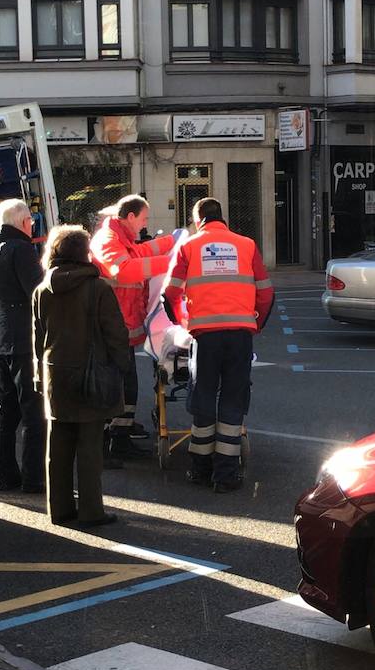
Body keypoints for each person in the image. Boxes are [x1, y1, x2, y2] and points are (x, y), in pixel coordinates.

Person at [162, 197, 274, 493]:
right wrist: (256, 324)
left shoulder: (189, 247)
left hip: (205, 336)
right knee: (233, 400)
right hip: (239, 334)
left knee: (204, 398)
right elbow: (265, 292)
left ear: (198, 220)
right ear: (222, 218)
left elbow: (169, 292)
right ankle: (225, 476)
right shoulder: (247, 245)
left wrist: (184, 322)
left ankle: (200, 469)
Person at [33, 225, 130, 527]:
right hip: (90, 373)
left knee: (57, 445)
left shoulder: (42, 289)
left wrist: (39, 374)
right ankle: (91, 511)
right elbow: (115, 334)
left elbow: (37, 338)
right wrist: (123, 366)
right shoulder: (98, 288)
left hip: (54, 373)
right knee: (89, 448)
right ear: (85, 253)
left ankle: (59, 509)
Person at [90, 194, 174, 461]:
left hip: (120, 326)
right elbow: (124, 270)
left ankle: (118, 437)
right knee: (120, 386)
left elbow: (141, 252)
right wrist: (173, 262)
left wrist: (174, 243)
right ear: (129, 217)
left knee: (125, 384)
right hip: (113, 328)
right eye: (144, 218)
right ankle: (113, 442)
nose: (145, 224)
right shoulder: (108, 240)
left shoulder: (119, 238)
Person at [0, 198, 45, 493]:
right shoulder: (21, 249)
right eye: (31, 221)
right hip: (21, 339)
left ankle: (7, 475)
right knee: (33, 411)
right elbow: (37, 294)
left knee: (7, 410)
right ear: (22, 222)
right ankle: (33, 478)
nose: (32, 226)